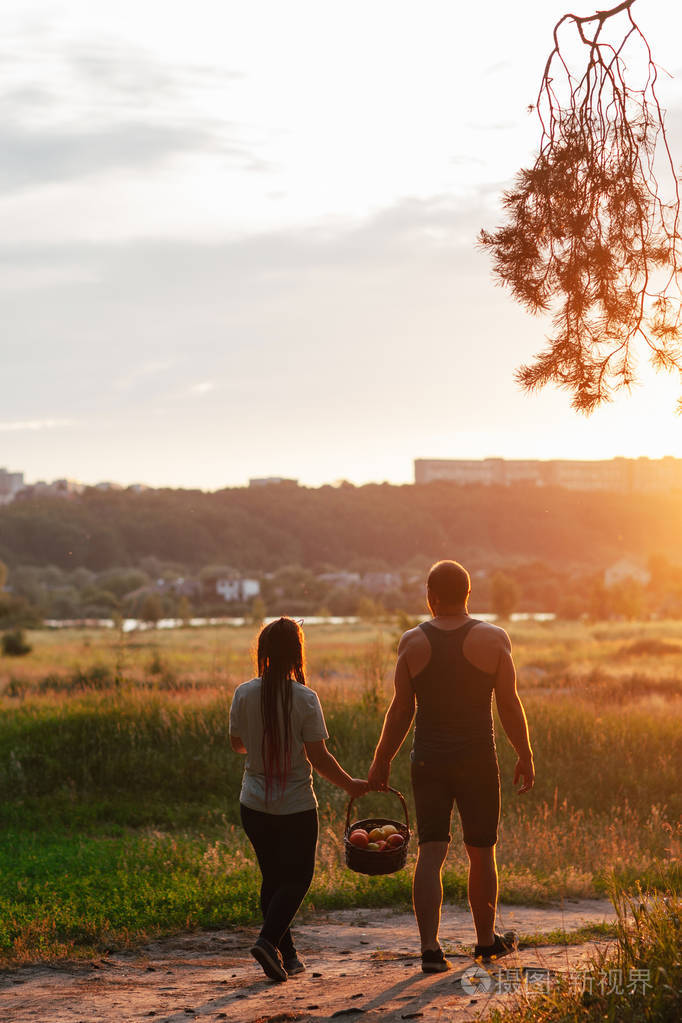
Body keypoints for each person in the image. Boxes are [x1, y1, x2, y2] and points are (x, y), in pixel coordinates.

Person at [367, 560, 534, 973]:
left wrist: (381, 760)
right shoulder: (495, 639)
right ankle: (485, 942)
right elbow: (510, 705)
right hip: (478, 760)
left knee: (431, 851)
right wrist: (525, 754)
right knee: (481, 852)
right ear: (468, 594)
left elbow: (401, 709)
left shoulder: (411, 642)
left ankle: (429, 949)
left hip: (429, 760)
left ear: (432, 596)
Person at [229, 616, 367, 982]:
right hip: (295, 807)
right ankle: (267, 941)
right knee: (299, 878)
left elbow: (237, 744)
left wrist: (259, 743)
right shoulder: (305, 698)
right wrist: (351, 784)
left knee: (272, 879)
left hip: (253, 804)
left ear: (263, 653)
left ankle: (285, 955)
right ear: (296, 654)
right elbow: (318, 758)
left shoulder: (243, 693)